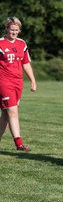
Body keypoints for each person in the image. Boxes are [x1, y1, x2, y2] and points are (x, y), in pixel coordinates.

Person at [0, 17, 37, 151]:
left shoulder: (22, 44)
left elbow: (26, 63)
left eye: (16, 30)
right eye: (11, 29)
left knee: (6, 114)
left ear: (19, 30)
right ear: (6, 29)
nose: (14, 32)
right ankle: (19, 143)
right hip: (4, 82)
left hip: (18, 82)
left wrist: (32, 80)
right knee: (12, 111)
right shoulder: (0, 43)